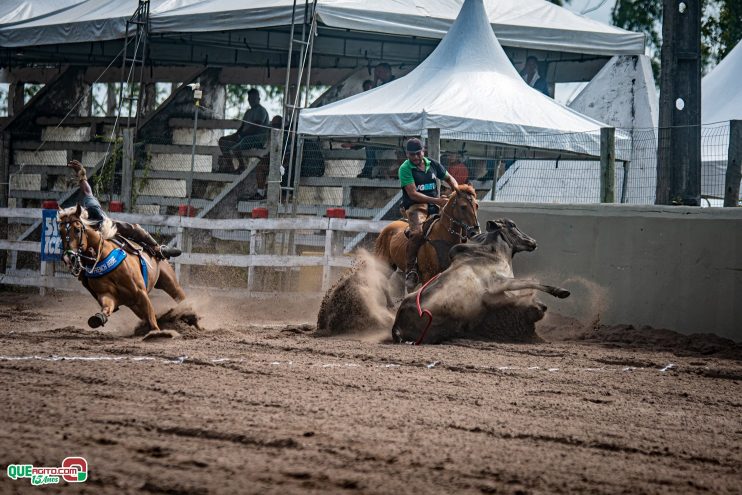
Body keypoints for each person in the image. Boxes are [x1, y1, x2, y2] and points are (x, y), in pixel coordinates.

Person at [66, 160, 181, 260]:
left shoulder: (91, 206)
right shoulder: (75, 226)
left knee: (134, 228)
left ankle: (158, 249)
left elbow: (87, 191)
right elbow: (87, 192)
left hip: (108, 227)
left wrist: (82, 177)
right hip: (89, 237)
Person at [399, 138, 459, 293]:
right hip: (416, 206)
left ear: (423, 151)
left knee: (454, 225)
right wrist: (437, 200)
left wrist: (457, 191)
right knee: (417, 233)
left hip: (435, 205)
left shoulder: (432, 164)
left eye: (418, 153)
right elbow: (412, 193)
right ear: (407, 154)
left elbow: (449, 178)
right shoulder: (405, 169)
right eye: (412, 155)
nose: (415, 157)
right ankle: (411, 271)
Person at [217, 88, 270, 173]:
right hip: (244, 137)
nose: (251, 100)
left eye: (253, 98)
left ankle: (242, 167)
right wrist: (235, 135)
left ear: (258, 99)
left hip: (256, 139)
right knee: (222, 141)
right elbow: (242, 127)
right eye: (250, 98)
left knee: (236, 146)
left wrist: (242, 135)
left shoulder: (261, 110)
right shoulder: (248, 112)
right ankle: (230, 167)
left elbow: (256, 127)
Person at [251, 115, 284, 201]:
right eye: (273, 125)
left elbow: (285, 153)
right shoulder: (271, 135)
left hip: (284, 165)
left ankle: (278, 197)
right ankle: (260, 193)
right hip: (273, 163)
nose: (275, 127)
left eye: (277, 125)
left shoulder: (286, 135)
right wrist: (265, 157)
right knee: (260, 166)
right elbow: (271, 151)